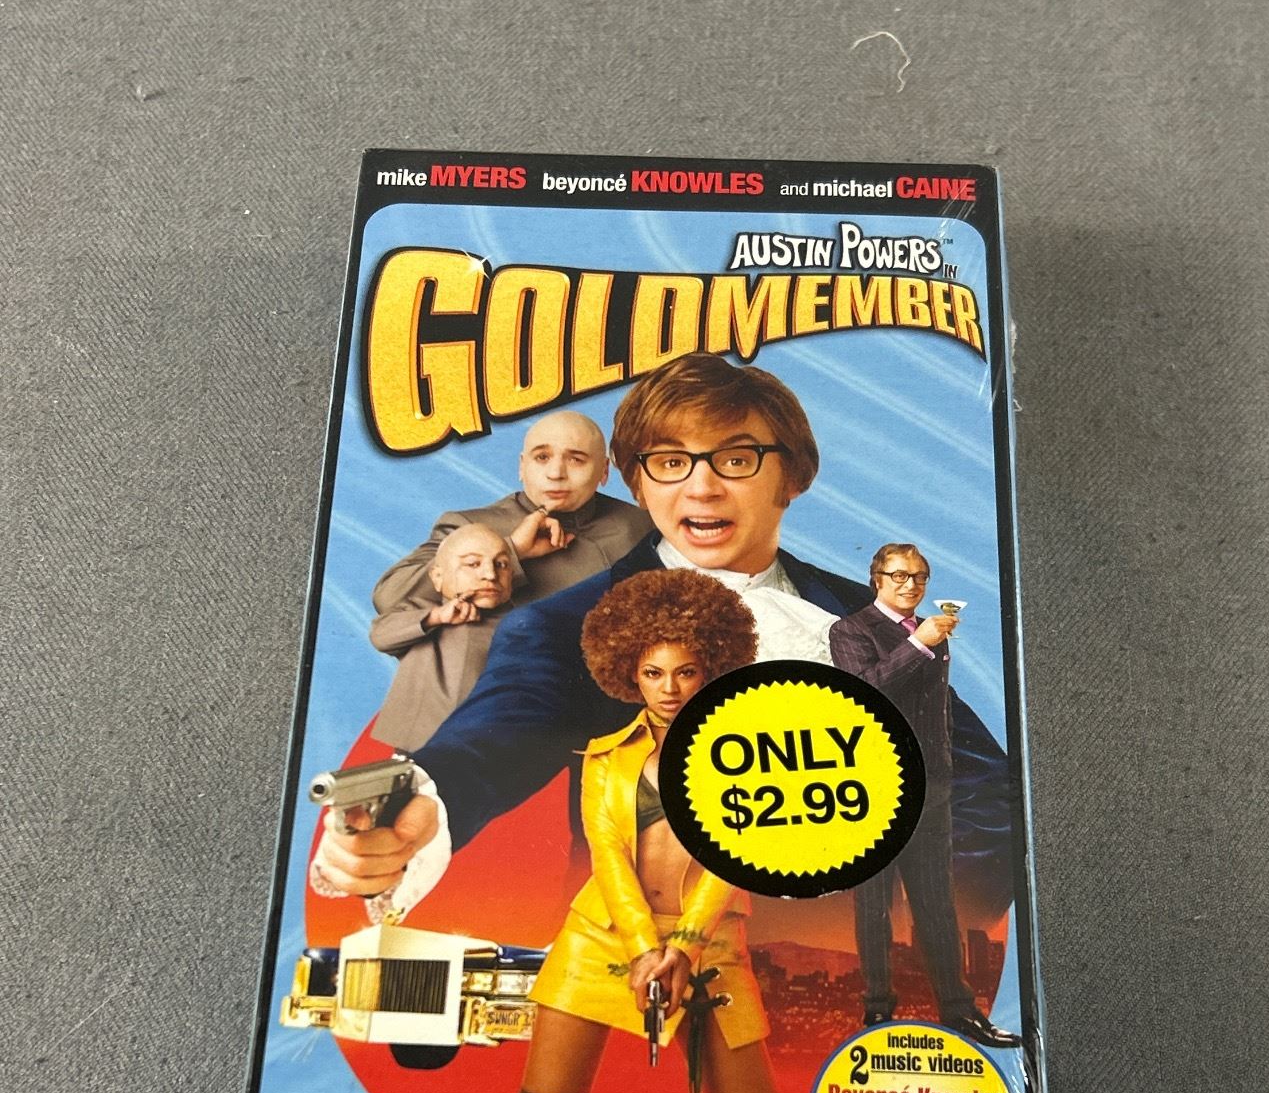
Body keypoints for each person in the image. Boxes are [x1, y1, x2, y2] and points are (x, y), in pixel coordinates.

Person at [311, 353, 1010, 924]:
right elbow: (501, 733)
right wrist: (429, 805)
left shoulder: (867, 611)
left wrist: (939, 908)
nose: (700, 489)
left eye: (736, 459)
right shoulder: (562, 625)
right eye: (670, 463)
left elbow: (978, 778)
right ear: (638, 485)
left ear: (793, 475)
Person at [464, 569, 857, 1093]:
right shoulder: (604, 758)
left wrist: (680, 947)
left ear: (713, 667)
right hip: (601, 939)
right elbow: (608, 858)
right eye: (652, 673)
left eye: (685, 671)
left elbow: (733, 860)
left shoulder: (750, 753)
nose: (669, 688)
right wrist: (647, 947)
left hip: (709, 947)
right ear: (628, 672)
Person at [829, 542, 1020, 1050]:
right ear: (876, 579)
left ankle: (960, 1012)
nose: (909, 584)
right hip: (874, 791)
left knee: (937, 903)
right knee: (874, 904)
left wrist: (947, 769)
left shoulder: (932, 631)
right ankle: (877, 1010)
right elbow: (863, 692)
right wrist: (918, 645)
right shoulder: (851, 630)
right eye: (898, 575)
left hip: (933, 787)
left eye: (918, 576)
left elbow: (936, 708)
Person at [371, 409, 650, 618]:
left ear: (603, 471)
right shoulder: (469, 525)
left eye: (576, 459)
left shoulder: (641, 523)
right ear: (522, 467)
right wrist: (511, 550)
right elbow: (390, 598)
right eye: (542, 457)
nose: (555, 473)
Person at [369, 524, 515, 751]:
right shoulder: (422, 612)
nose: (490, 575)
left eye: (501, 564)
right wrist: (435, 618)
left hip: (490, 743)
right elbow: (380, 635)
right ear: (437, 577)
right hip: (420, 741)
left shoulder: (522, 621)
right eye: (473, 564)